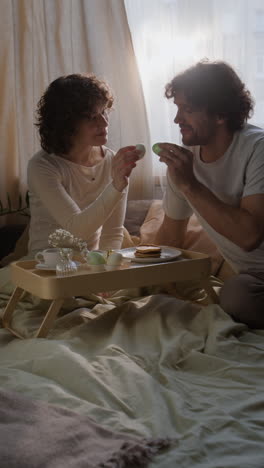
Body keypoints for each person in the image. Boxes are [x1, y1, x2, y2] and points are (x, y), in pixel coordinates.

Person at [154, 59, 264, 328]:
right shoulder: (185, 162)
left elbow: (249, 236)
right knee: (237, 294)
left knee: (235, 298)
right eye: (178, 108)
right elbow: (170, 238)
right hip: (254, 280)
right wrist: (137, 276)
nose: (177, 119)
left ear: (220, 114)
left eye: (187, 110)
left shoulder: (257, 149)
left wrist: (191, 185)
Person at [27, 73, 141, 253]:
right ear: (67, 123)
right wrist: (116, 186)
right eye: (91, 117)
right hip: (44, 268)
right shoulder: (42, 166)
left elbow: (112, 233)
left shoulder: (113, 161)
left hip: (90, 266)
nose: (104, 123)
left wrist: (106, 271)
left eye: (104, 112)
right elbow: (76, 230)